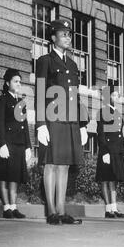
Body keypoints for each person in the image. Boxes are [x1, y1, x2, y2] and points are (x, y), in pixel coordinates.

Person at [35, 19, 89, 225]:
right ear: (53, 37)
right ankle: (51, 212)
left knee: (64, 165)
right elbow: (40, 92)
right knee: (51, 164)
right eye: (63, 34)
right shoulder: (45, 61)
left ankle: (61, 210)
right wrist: (40, 123)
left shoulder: (73, 64)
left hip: (69, 121)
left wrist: (82, 123)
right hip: (52, 118)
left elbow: (75, 96)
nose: (68, 38)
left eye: (69, 34)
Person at [0, 69, 32, 219]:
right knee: (4, 176)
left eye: (19, 81)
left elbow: (25, 125)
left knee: (14, 176)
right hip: (7, 143)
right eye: (15, 81)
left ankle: (14, 206)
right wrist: (2, 143)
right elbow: (0, 123)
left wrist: (28, 146)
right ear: (7, 83)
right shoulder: (2, 100)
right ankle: (6, 207)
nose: (18, 84)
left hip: (19, 144)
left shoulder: (20, 102)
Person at [96, 86, 124, 219]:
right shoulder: (103, 111)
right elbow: (101, 133)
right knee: (105, 180)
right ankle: (108, 210)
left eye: (117, 96)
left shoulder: (117, 112)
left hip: (117, 151)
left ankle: (114, 208)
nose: (116, 98)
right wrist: (104, 152)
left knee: (113, 180)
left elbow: (120, 135)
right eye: (113, 95)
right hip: (107, 150)